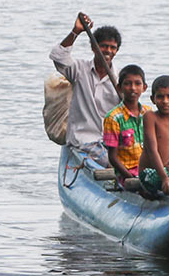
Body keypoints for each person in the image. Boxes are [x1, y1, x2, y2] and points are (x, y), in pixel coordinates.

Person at [49, 11, 121, 165]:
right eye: (103, 46)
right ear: (94, 48)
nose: (108, 51)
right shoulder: (80, 70)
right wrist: (76, 31)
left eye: (112, 48)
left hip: (112, 142)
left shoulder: (120, 79)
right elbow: (58, 56)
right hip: (84, 140)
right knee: (114, 165)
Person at [103, 64, 151, 186]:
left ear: (144, 87)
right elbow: (113, 158)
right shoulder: (113, 118)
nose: (133, 88)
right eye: (128, 84)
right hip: (127, 173)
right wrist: (131, 178)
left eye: (137, 84)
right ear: (119, 88)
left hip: (148, 170)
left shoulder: (148, 113)